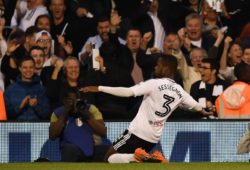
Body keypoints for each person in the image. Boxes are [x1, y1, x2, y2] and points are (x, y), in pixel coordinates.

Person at [81, 54, 212, 163]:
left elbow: (128, 92)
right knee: (128, 162)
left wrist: (99, 88)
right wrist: (204, 110)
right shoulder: (180, 91)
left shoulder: (154, 83)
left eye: (158, 65)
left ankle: (139, 157)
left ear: (165, 68)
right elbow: (196, 106)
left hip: (137, 133)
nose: (155, 67)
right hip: (153, 138)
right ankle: (149, 157)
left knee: (108, 159)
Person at [49, 92, 107, 162]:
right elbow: (52, 135)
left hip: (92, 147)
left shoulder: (90, 109)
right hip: (71, 149)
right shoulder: (58, 113)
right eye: (71, 101)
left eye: (77, 100)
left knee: (109, 151)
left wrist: (87, 115)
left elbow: (103, 132)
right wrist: (65, 113)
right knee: (69, 149)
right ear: (65, 102)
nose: (75, 104)